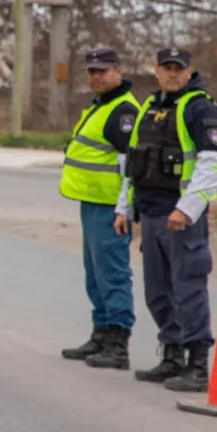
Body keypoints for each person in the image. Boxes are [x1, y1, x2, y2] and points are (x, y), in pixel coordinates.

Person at [115, 47, 217, 392]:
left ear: (190, 71)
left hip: (180, 217)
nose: (173, 74)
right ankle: (172, 355)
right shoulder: (150, 108)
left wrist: (187, 209)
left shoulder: (200, 108)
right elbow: (131, 165)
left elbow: (211, 165)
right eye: (167, 68)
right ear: (157, 70)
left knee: (188, 289)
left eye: (179, 68)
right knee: (158, 292)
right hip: (150, 213)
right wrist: (123, 208)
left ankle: (197, 365)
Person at [60, 46, 140, 369]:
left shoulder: (123, 112)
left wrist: (125, 209)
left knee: (113, 274)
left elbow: (131, 167)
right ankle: (101, 334)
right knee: (95, 274)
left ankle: (118, 344)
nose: (96, 76)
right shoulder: (102, 106)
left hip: (111, 207)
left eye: (103, 71)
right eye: (92, 71)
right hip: (93, 203)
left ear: (118, 71)